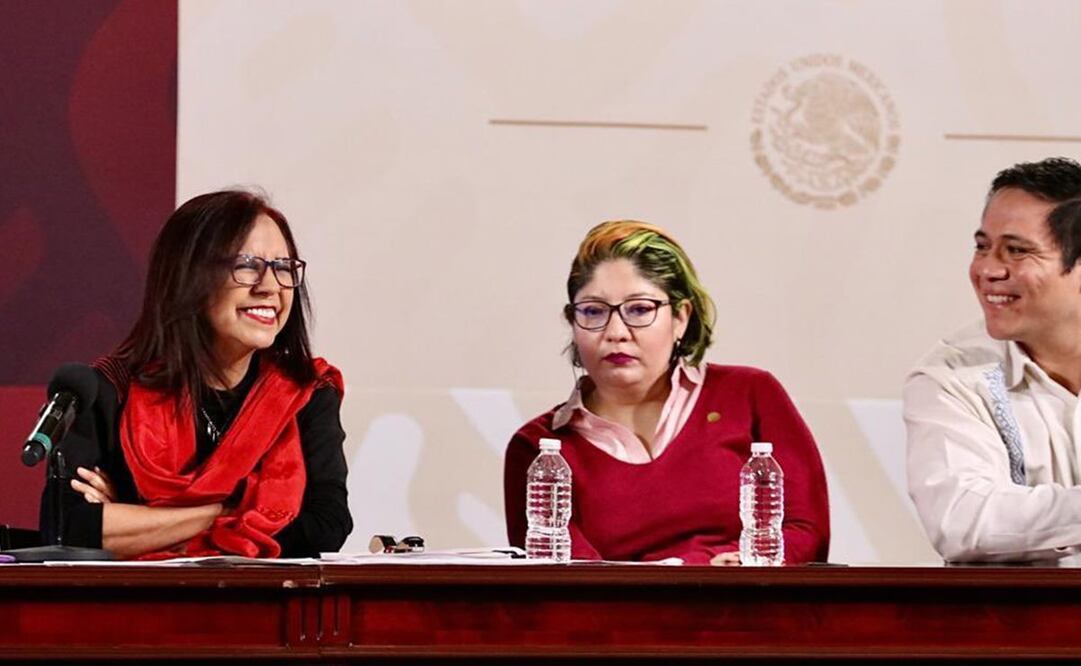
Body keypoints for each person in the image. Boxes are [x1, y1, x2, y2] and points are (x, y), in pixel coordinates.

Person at [39, 190, 352, 559]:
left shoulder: (305, 394)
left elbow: (325, 528)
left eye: (283, 267)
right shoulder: (109, 390)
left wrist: (139, 521)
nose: (270, 287)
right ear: (188, 276)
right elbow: (68, 529)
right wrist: (228, 514)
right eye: (247, 265)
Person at [503, 220, 829, 565]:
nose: (616, 332)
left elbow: (807, 531)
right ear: (572, 322)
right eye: (594, 312)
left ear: (680, 318)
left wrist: (731, 567)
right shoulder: (538, 448)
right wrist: (693, 572)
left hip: (744, 597)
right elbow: (569, 581)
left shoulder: (750, 394)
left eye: (640, 309)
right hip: (625, 603)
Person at [905, 157, 1081, 562]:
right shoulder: (951, 376)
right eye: (982, 247)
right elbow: (965, 522)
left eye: (1016, 251)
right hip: (1020, 605)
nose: (987, 270)